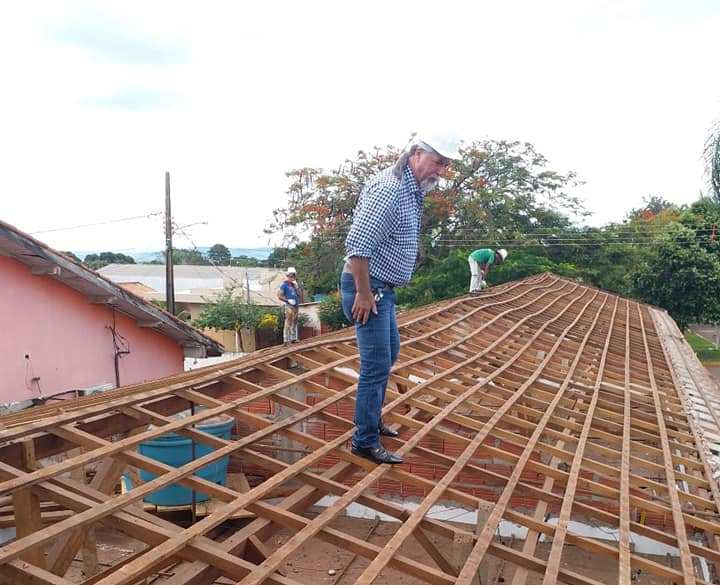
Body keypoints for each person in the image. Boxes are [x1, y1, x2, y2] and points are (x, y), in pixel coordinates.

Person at [341, 135, 459, 464]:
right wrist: (364, 295)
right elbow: (357, 247)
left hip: (382, 288)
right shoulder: (390, 189)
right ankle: (363, 440)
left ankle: (371, 421)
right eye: (439, 162)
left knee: (390, 353)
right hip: (368, 287)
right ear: (417, 154)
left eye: (446, 164)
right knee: (375, 365)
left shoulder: (411, 188)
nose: (442, 170)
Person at [277, 267, 300, 345]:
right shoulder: (284, 285)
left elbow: (299, 295)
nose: (292, 277)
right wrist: (287, 300)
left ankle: (294, 338)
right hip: (289, 305)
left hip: (296, 306)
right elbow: (279, 296)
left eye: (293, 276)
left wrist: (297, 288)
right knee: (288, 321)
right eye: (290, 276)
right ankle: (286, 339)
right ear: (288, 276)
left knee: (295, 321)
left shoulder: (294, 285)